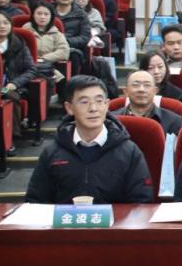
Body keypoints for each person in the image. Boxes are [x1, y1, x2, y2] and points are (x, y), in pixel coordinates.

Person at [26, 75, 152, 204]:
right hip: (66, 217)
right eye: (84, 102)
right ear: (69, 108)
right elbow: (36, 202)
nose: (93, 109)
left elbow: (141, 203)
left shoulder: (129, 152)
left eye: (99, 101)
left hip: (116, 217)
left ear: (107, 105)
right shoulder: (52, 153)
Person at [0, 12, 36, 139]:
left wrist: (15, 83)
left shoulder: (19, 44)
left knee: (9, 95)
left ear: (11, 25)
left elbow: (31, 69)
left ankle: (10, 138)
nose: (2, 26)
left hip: (12, 86)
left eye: (6, 23)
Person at [110, 70, 182, 135]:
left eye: (147, 85)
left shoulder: (173, 121)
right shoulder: (112, 119)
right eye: (136, 85)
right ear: (126, 91)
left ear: (155, 91)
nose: (141, 89)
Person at [22, 1, 69, 87]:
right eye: (39, 13)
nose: (42, 17)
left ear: (51, 16)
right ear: (33, 15)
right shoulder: (25, 31)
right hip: (28, 65)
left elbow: (64, 51)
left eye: (46, 14)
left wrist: (44, 58)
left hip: (48, 65)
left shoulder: (56, 33)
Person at [140, 51, 182, 115]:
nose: (156, 72)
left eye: (160, 67)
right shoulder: (137, 92)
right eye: (150, 68)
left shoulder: (177, 95)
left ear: (166, 68)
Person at [53, 0, 91, 64]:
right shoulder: (48, 11)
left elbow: (85, 37)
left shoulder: (81, 14)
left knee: (74, 55)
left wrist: (65, 41)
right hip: (50, 45)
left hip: (71, 47)